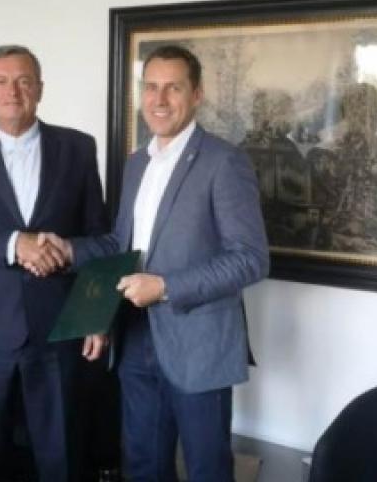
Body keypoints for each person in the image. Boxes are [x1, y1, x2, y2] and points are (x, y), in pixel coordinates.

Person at [38, 45, 270, 482]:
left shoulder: (224, 162)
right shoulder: (136, 163)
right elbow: (119, 244)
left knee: (207, 469)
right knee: (143, 465)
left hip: (198, 345)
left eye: (173, 88)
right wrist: (67, 249)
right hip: (133, 334)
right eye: (151, 87)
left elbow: (250, 259)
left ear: (196, 94)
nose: (159, 100)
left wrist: (164, 287)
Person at [0, 44, 109, 482]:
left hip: (61, 328)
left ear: (40, 89)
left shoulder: (78, 148)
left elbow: (101, 240)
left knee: (62, 454)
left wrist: (97, 316)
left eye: (24, 81)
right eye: (2, 81)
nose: (13, 91)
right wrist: (15, 245)